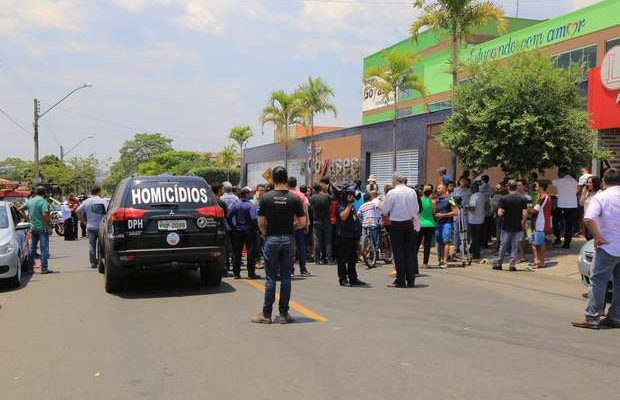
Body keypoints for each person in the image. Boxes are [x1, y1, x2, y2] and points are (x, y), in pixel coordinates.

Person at [252, 166, 305, 324]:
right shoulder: (295, 198)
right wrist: (291, 228)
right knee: (286, 278)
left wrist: (265, 233)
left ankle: (266, 315)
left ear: (273, 179)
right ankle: (284, 314)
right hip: (289, 239)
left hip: (271, 239)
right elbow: (302, 222)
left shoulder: (266, 197)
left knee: (270, 278)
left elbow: (260, 222)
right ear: (286, 178)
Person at [572, 168, 620, 330]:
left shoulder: (601, 196)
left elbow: (589, 218)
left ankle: (592, 317)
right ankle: (615, 317)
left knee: (598, 281)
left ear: (604, 182)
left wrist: (597, 237)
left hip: (608, 247)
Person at [382, 172, 419, 288]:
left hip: (397, 224)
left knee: (398, 253)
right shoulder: (412, 191)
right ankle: (411, 279)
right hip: (409, 223)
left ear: (395, 181)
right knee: (409, 252)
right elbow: (416, 209)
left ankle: (400, 280)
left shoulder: (392, 192)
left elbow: (385, 210)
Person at [336, 183, 366, 287]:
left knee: (353, 258)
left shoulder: (352, 205)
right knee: (343, 259)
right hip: (344, 236)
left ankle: (353, 278)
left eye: (352, 194)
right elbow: (343, 217)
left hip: (353, 236)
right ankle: (343, 279)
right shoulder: (341, 204)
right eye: (350, 194)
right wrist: (349, 204)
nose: (352, 196)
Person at [493, 181, 528, 271]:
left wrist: (501, 213)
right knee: (514, 246)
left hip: (506, 225)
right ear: (516, 188)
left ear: (508, 187)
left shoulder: (503, 198)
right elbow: (525, 213)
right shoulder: (522, 199)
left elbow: (500, 213)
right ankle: (512, 265)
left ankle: (499, 263)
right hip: (517, 226)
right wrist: (522, 222)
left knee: (503, 245)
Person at [228, 187, 260, 279]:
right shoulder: (250, 205)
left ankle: (236, 273)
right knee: (250, 252)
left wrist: (233, 227)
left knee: (237, 252)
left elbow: (229, 216)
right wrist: (256, 229)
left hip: (237, 231)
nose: (251, 194)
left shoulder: (236, 205)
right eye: (250, 193)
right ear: (246, 194)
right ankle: (251, 273)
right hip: (249, 231)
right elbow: (254, 218)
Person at [19, 186, 53, 274]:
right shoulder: (43, 201)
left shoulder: (30, 201)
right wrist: (49, 226)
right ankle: (44, 268)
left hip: (33, 228)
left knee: (32, 248)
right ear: (44, 193)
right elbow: (45, 214)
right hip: (42, 228)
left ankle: (30, 268)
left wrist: (26, 218)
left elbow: (19, 209)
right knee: (44, 249)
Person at [76, 186, 106, 269]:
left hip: (90, 226)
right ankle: (101, 261)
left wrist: (84, 222)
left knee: (91, 245)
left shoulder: (86, 201)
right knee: (101, 245)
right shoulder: (102, 201)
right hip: (101, 226)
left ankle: (93, 263)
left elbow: (77, 211)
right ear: (99, 192)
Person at [287, 177, 310, 276]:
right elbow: (305, 211)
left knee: (290, 248)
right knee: (301, 247)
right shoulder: (302, 195)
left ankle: (291, 269)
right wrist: (307, 224)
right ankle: (303, 269)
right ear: (296, 184)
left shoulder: (285, 195)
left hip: (288, 225)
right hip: (300, 224)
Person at [552, 167, 578, 249]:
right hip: (573, 205)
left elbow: (550, 182)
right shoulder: (574, 181)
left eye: (558, 173)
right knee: (569, 225)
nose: (557, 174)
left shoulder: (560, 181)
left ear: (562, 172)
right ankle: (567, 242)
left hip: (562, 205)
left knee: (555, 221)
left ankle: (557, 238)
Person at [529, 182, 552, 269]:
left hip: (540, 223)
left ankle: (541, 262)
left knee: (539, 243)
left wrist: (528, 210)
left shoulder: (543, 197)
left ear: (541, 187)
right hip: (539, 223)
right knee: (536, 242)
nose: (535, 187)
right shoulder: (544, 196)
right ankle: (537, 261)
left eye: (536, 186)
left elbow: (535, 210)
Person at [434, 184, 457, 268]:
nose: (437, 190)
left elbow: (455, 212)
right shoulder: (437, 199)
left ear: (444, 189)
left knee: (446, 241)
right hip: (438, 223)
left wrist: (443, 215)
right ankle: (439, 260)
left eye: (439, 188)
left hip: (447, 223)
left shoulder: (450, 199)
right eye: (437, 188)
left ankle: (445, 261)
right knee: (439, 242)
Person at [309, 183, 333, 264]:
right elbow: (331, 202)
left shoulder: (312, 198)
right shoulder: (327, 197)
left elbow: (310, 207)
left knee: (317, 240)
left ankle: (317, 259)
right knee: (328, 241)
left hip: (316, 221)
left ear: (314, 189)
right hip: (327, 221)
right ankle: (329, 259)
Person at [415, 185, 436, 269]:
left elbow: (417, 211)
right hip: (430, 224)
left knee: (417, 244)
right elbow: (434, 212)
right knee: (427, 245)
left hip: (420, 224)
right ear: (431, 192)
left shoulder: (419, 200)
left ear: (423, 191)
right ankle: (425, 263)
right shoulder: (433, 201)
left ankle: (413, 262)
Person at [467, 182, 487, 261]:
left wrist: (466, 208)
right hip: (481, 218)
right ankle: (475, 250)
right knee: (478, 237)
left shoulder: (474, 196)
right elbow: (486, 206)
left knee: (474, 238)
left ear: (473, 189)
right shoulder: (482, 195)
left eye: (471, 188)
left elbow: (472, 208)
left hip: (474, 220)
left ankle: (476, 254)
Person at [579, 176, 602, 240]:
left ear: (596, 183)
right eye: (587, 182)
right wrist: (584, 193)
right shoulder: (587, 192)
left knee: (592, 238)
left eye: (590, 182)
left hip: (595, 221)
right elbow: (581, 203)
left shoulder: (600, 193)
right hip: (587, 220)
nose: (587, 184)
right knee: (587, 237)